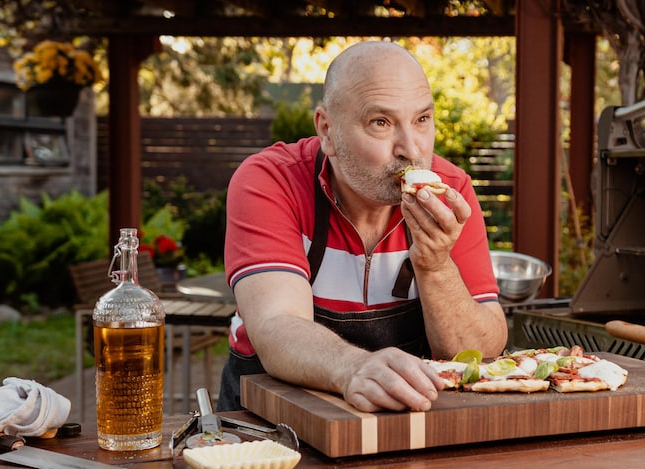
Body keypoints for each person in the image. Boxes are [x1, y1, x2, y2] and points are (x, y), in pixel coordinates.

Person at [217, 41, 508, 413]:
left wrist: (435, 266)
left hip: (403, 427)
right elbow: (277, 326)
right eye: (381, 123)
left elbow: (477, 353)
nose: (411, 149)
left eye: (422, 119)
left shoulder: (453, 192)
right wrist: (352, 367)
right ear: (327, 131)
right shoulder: (271, 181)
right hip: (266, 428)